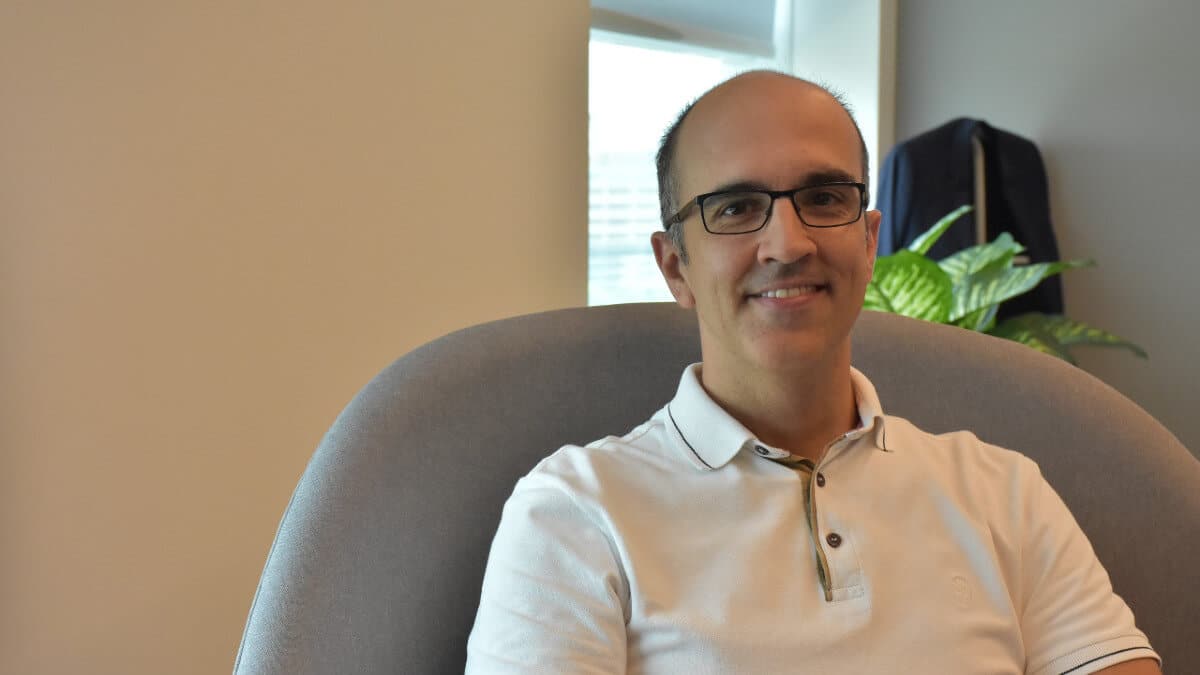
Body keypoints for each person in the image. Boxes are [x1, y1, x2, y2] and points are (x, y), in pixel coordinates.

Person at [464, 71, 1160, 674]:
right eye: (735, 207)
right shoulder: (575, 512)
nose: (787, 244)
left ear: (869, 240)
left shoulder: (1005, 493)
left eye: (824, 198)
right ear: (675, 266)